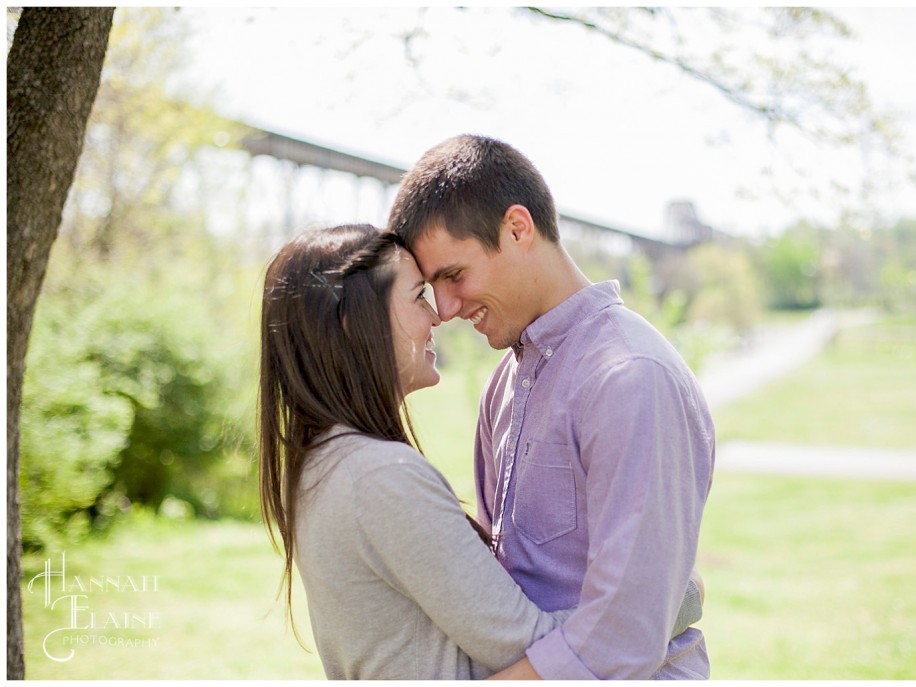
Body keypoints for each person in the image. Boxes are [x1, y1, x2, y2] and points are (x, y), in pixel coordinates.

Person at [256, 224, 703, 680]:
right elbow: (528, 645)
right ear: (354, 325)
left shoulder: (326, 462)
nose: (438, 315)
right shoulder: (378, 476)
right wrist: (672, 598)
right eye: (418, 297)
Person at [389, 135, 716, 680]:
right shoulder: (505, 381)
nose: (443, 309)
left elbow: (624, 635)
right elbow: (502, 587)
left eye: (453, 275)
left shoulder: (630, 376)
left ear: (518, 228)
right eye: (430, 287)